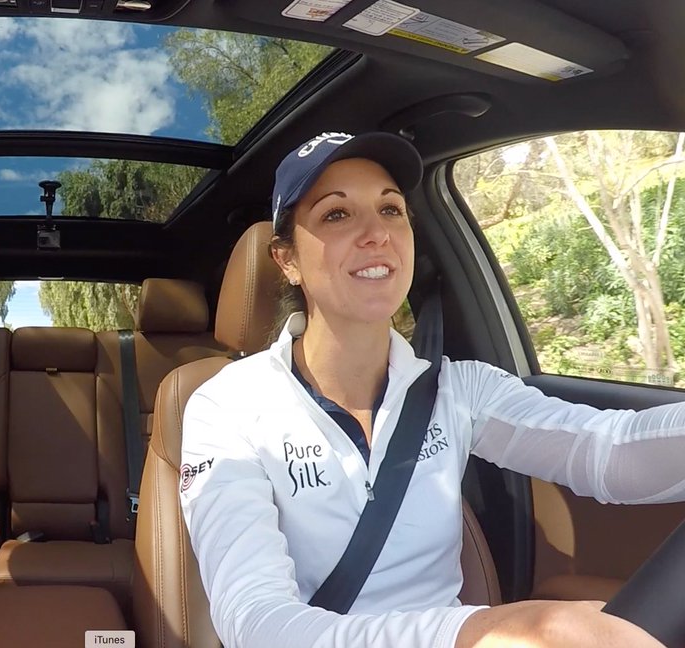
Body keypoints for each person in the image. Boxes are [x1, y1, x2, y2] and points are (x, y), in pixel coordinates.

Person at [179, 131, 680, 648]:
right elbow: (257, 624)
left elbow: (609, 449)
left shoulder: (459, 390)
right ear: (287, 260)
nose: (377, 233)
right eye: (337, 214)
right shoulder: (227, 407)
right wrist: (485, 633)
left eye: (391, 209)